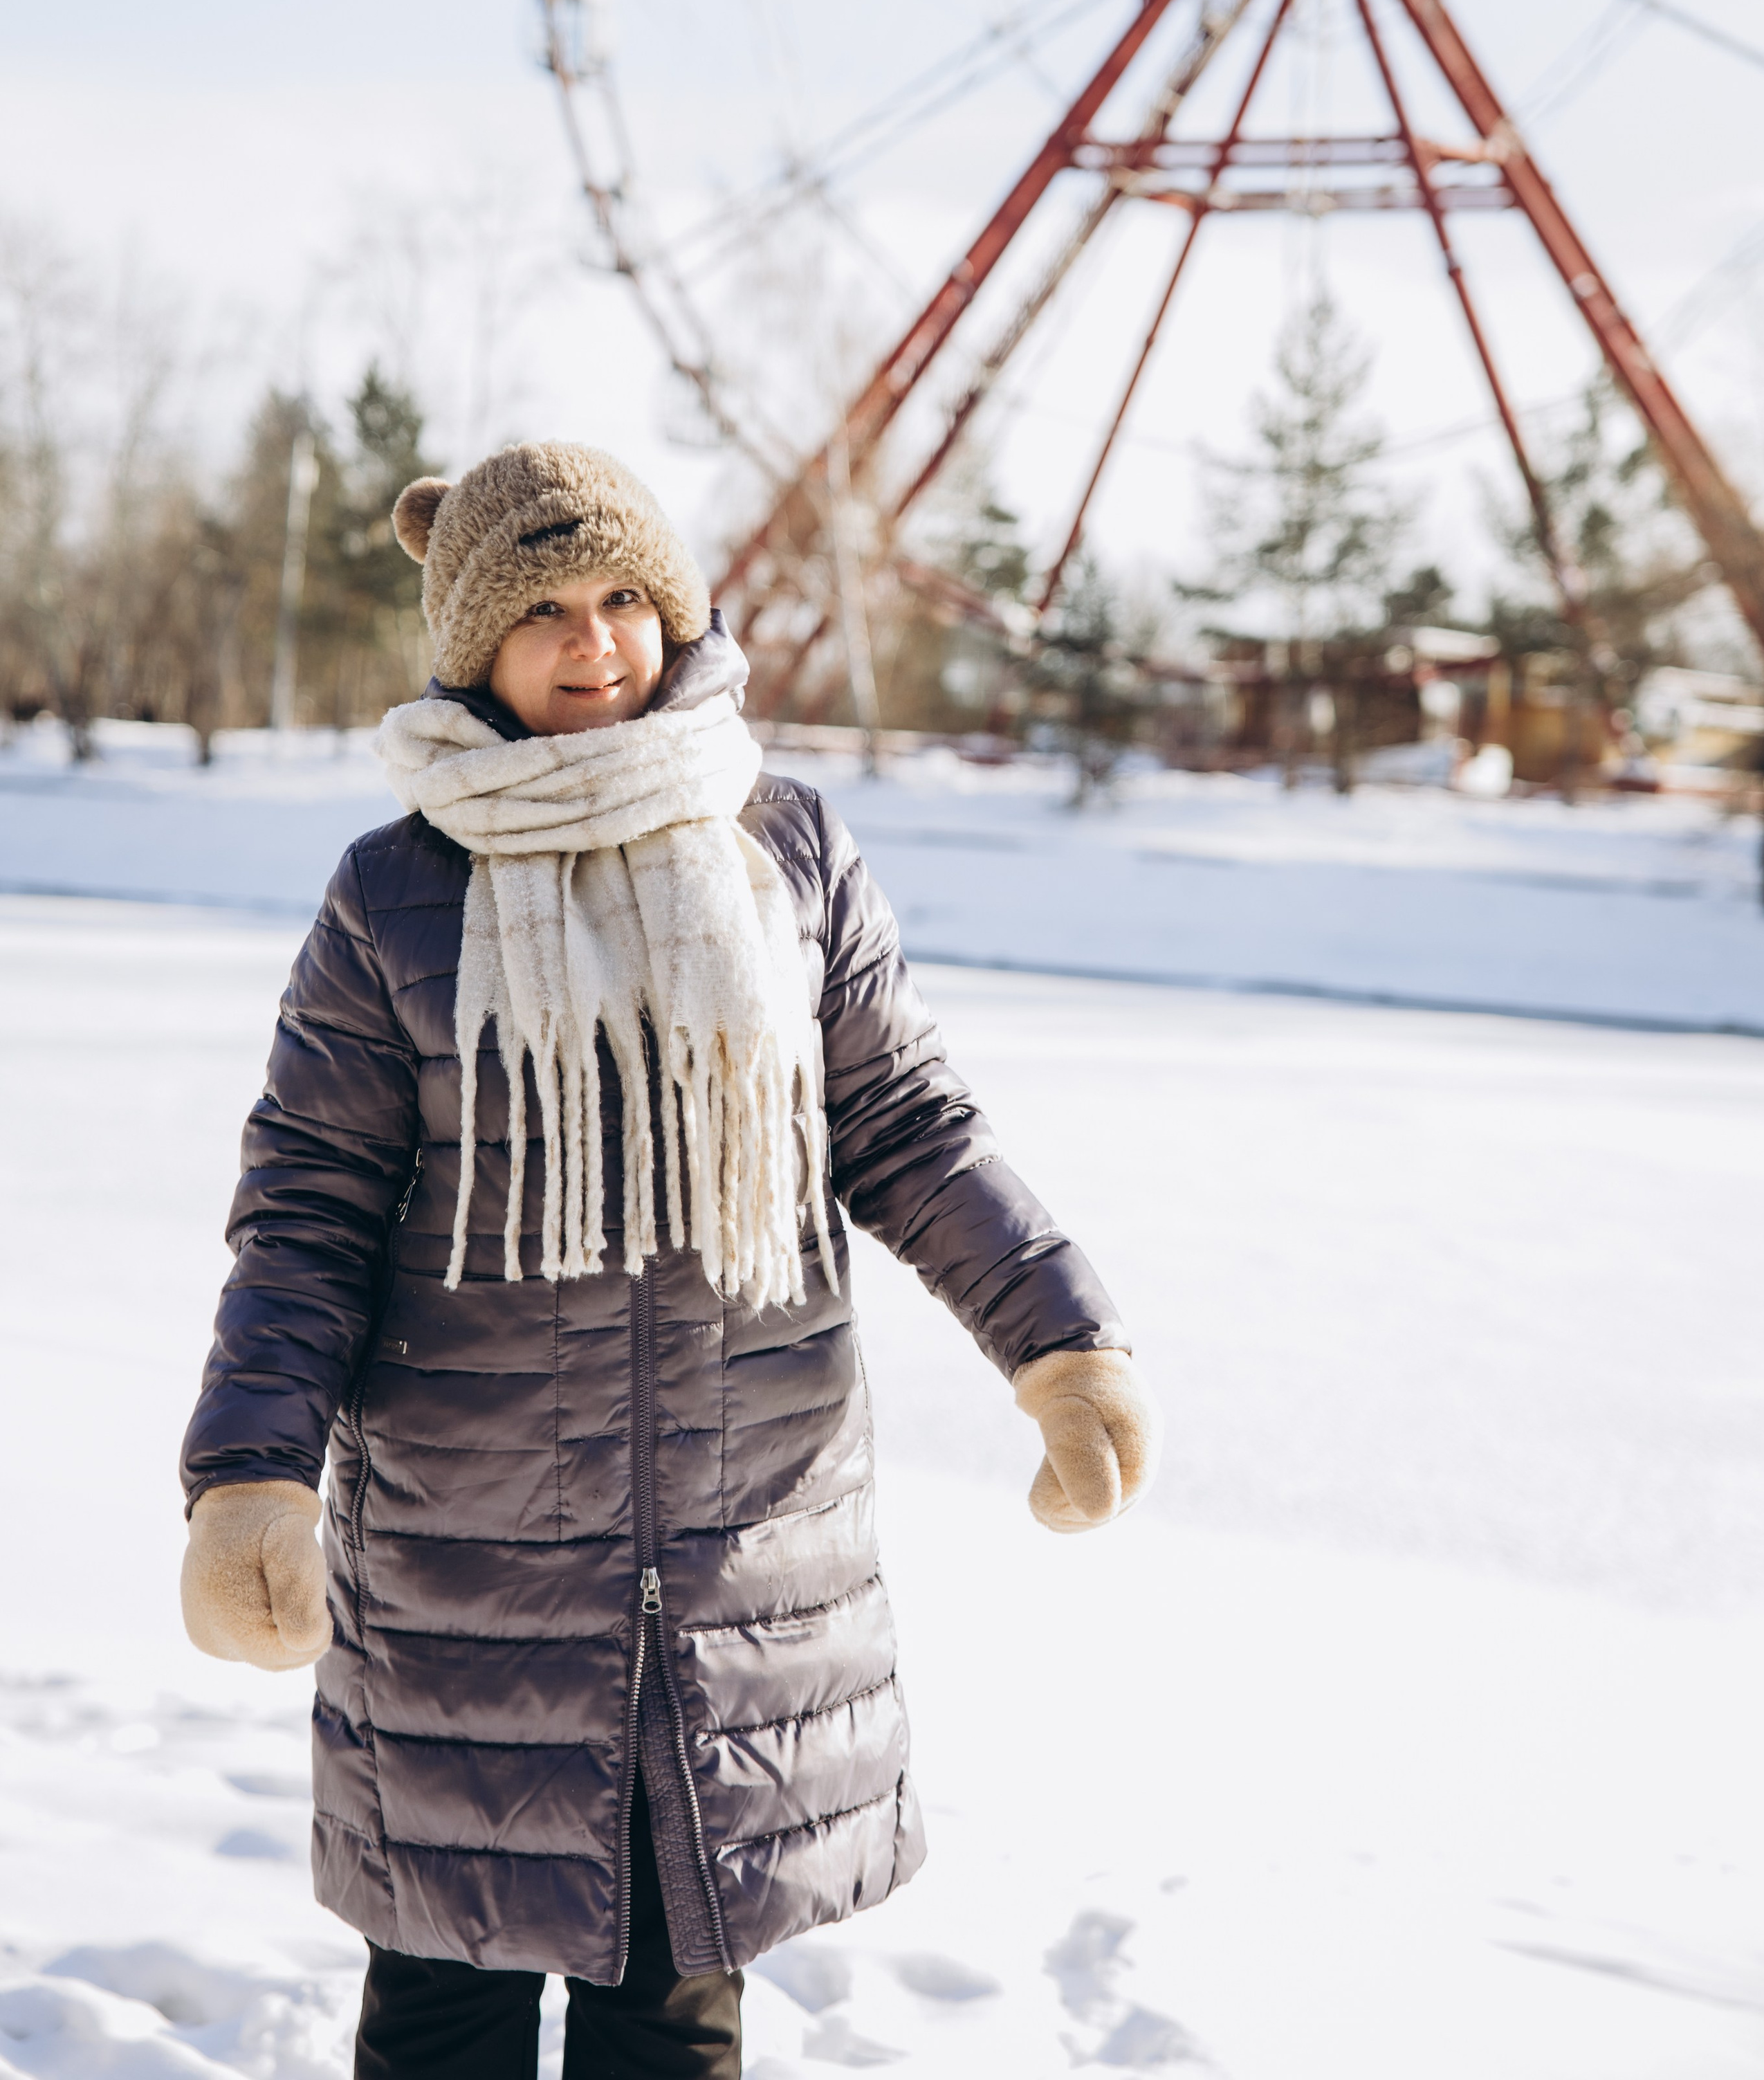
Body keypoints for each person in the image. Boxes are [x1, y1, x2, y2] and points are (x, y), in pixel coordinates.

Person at [178, 441, 1159, 2080]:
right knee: (442, 2019)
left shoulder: (788, 850)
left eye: (626, 597)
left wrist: (1061, 1348)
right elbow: (309, 1212)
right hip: (461, 1577)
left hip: (733, 1569)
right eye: (546, 611)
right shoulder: (394, 895)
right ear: (471, 644)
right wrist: (250, 1477)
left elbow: (906, 1130)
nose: (597, 642)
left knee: (675, 2023)